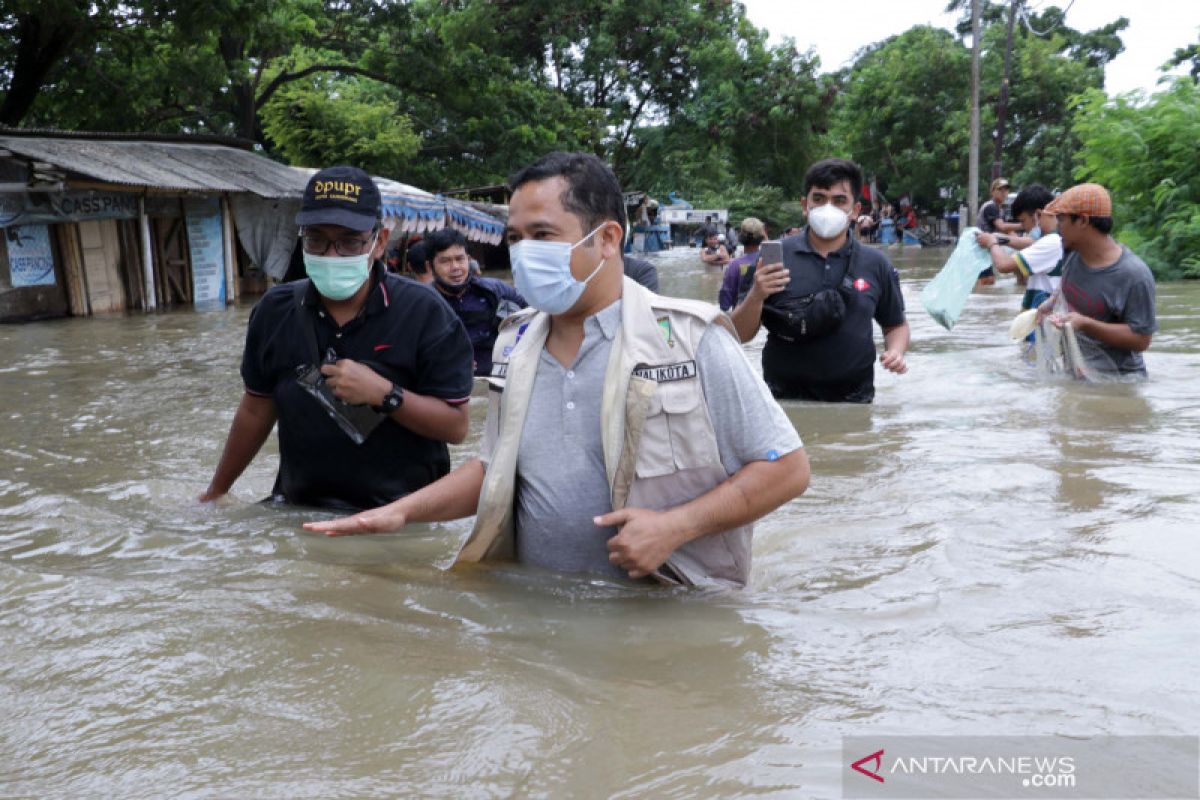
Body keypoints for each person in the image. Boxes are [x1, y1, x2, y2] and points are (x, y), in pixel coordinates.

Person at [306, 151, 810, 589]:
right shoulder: (515, 342)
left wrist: (677, 526)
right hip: (537, 619)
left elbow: (786, 468)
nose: (524, 253)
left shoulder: (689, 340)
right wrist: (401, 512)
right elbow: (496, 470)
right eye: (516, 237)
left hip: (667, 612)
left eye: (542, 234)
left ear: (608, 238)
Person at [200, 166, 475, 510]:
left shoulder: (425, 313)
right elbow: (256, 410)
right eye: (316, 239)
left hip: (399, 514)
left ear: (380, 242)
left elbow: (457, 426)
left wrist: (385, 394)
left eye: (349, 242)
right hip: (298, 510)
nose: (331, 255)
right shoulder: (275, 311)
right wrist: (214, 494)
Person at [730, 158, 910, 403]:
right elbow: (739, 334)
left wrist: (896, 352)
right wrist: (756, 295)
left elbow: (895, 325)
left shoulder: (876, 263)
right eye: (819, 198)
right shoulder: (772, 259)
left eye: (839, 200)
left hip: (854, 402)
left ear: (855, 210)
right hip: (783, 402)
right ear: (805, 205)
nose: (828, 207)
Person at [1036, 183, 1157, 378]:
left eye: (1061, 219)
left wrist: (1085, 324)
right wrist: (1051, 302)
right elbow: (1067, 284)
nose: (1057, 227)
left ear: (1083, 220)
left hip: (1117, 384)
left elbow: (1141, 339)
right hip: (1078, 373)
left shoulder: (1134, 275)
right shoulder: (1071, 253)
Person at [426, 227, 526, 377]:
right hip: (447, 385)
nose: (455, 267)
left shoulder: (496, 291)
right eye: (445, 261)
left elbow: (534, 316)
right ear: (430, 267)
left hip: (499, 380)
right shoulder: (422, 302)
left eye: (460, 259)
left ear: (469, 259)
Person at [975, 183, 1062, 311]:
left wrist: (992, 243)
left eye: (1023, 221)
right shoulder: (1057, 239)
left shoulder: (1050, 243)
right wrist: (999, 238)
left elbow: (1004, 265)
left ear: (1038, 215)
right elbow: (1032, 243)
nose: (1023, 227)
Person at [977, 178, 1024, 285]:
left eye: (1006, 190)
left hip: (985, 247)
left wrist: (1021, 241)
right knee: (985, 280)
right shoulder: (991, 206)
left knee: (989, 280)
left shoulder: (999, 208)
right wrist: (1023, 225)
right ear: (993, 192)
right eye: (1000, 190)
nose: (1004, 193)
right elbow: (1002, 227)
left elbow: (1008, 231)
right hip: (981, 247)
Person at [718, 217, 766, 311]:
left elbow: (725, 303)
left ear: (741, 236)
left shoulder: (734, 265)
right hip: (767, 316)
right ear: (761, 237)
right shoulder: (769, 261)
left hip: (742, 316)